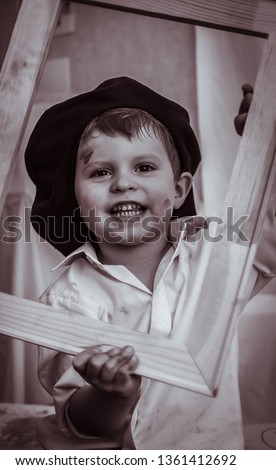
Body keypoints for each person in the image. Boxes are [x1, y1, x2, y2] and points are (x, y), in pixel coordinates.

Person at [25, 77, 275, 449]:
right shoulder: (67, 298)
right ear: (76, 200)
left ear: (179, 191)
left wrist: (269, 143)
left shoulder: (213, 262)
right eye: (101, 172)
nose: (123, 183)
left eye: (143, 167)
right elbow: (81, 424)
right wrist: (113, 395)